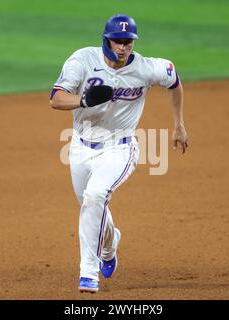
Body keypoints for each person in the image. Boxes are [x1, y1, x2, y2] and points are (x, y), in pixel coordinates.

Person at [50, 14, 188, 293]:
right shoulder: (83, 60)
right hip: (79, 148)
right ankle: (110, 245)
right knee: (91, 205)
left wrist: (179, 124)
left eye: (128, 42)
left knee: (95, 195)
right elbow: (56, 98)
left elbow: (174, 80)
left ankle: (88, 273)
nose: (123, 47)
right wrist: (84, 99)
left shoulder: (147, 68)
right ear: (106, 39)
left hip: (119, 147)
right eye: (118, 41)